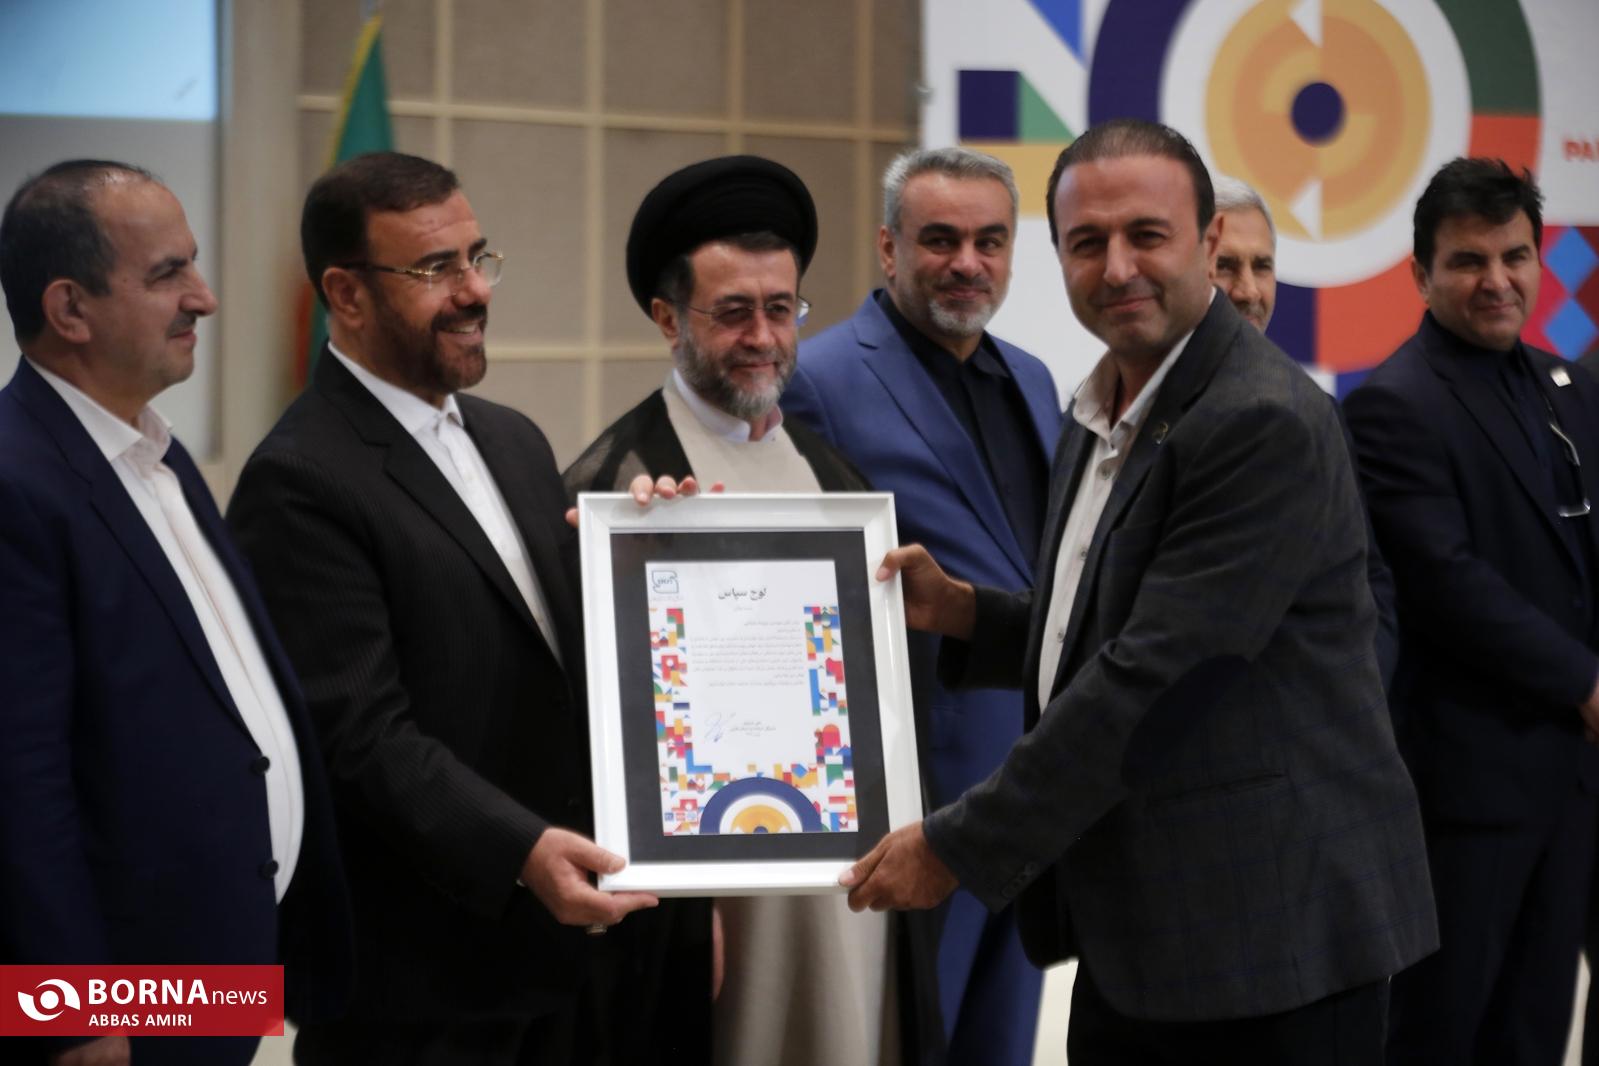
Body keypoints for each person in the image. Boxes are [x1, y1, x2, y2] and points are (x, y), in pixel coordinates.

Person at [841, 118, 1438, 1065]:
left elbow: (1158, 675)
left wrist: (957, 845)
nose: (1116, 267)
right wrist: (968, 614)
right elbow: (1111, 621)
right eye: (1086, 242)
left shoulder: (1257, 418)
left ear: (1207, 240)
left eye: (1145, 236)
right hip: (1153, 931)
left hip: (1270, 935)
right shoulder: (1101, 404)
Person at [227, 151, 657, 1066]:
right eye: (434, 269)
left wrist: (659, 558)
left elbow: (559, 667)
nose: (474, 291)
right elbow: (360, 738)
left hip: (568, 959)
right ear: (345, 294)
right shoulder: (299, 479)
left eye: (476, 257)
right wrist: (521, 849)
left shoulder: (511, 437)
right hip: (423, 987)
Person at [565, 154, 942, 1066]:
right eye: (732, 312)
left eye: (782, 308)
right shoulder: (618, 486)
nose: (763, 337)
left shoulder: (836, 479)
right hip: (716, 915)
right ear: (668, 319)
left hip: (845, 890)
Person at [0, 160, 350, 1066]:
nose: (204, 297)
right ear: (70, 309)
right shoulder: (14, 482)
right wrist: (71, 1013)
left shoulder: (156, 453)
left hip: (216, 972)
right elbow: (18, 776)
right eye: (168, 274)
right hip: (119, 1006)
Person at [781, 145, 1057, 1066]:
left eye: (989, 241)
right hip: (915, 790)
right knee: (916, 1034)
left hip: (1034, 776)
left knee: (1002, 1038)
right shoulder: (818, 378)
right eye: (939, 240)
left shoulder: (1034, 379)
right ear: (888, 247)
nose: (966, 263)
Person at [1344, 158, 1599, 1066]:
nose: (1496, 280)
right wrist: (1585, 683)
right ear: (1421, 274)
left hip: (1570, 782)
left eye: (1513, 256)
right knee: (1441, 1034)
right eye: (1467, 261)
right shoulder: (1391, 404)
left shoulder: (1568, 385)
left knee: (1534, 1032)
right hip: (1468, 790)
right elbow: (1447, 585)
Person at [1209, 174, 1399, 689]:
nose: (1248, 291)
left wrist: (1361, 688)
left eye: (1262, 266)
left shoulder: (1318, 412)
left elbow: (1368, 577)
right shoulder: (1132, 410)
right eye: (1225, 266)